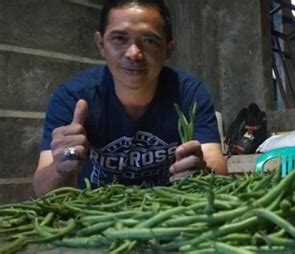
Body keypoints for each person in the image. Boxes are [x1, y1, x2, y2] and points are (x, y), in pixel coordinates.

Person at [33, 0, 227, 196]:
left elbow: (217, 170)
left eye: (150, 40)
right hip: (93, 216)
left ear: (169, 49)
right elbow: (43, 190)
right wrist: (60, 168)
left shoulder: (189, 93)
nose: (134, 53)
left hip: (167, 214)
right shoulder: (72, 97)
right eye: (119, 38)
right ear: (101, 44)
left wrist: (200, 170)